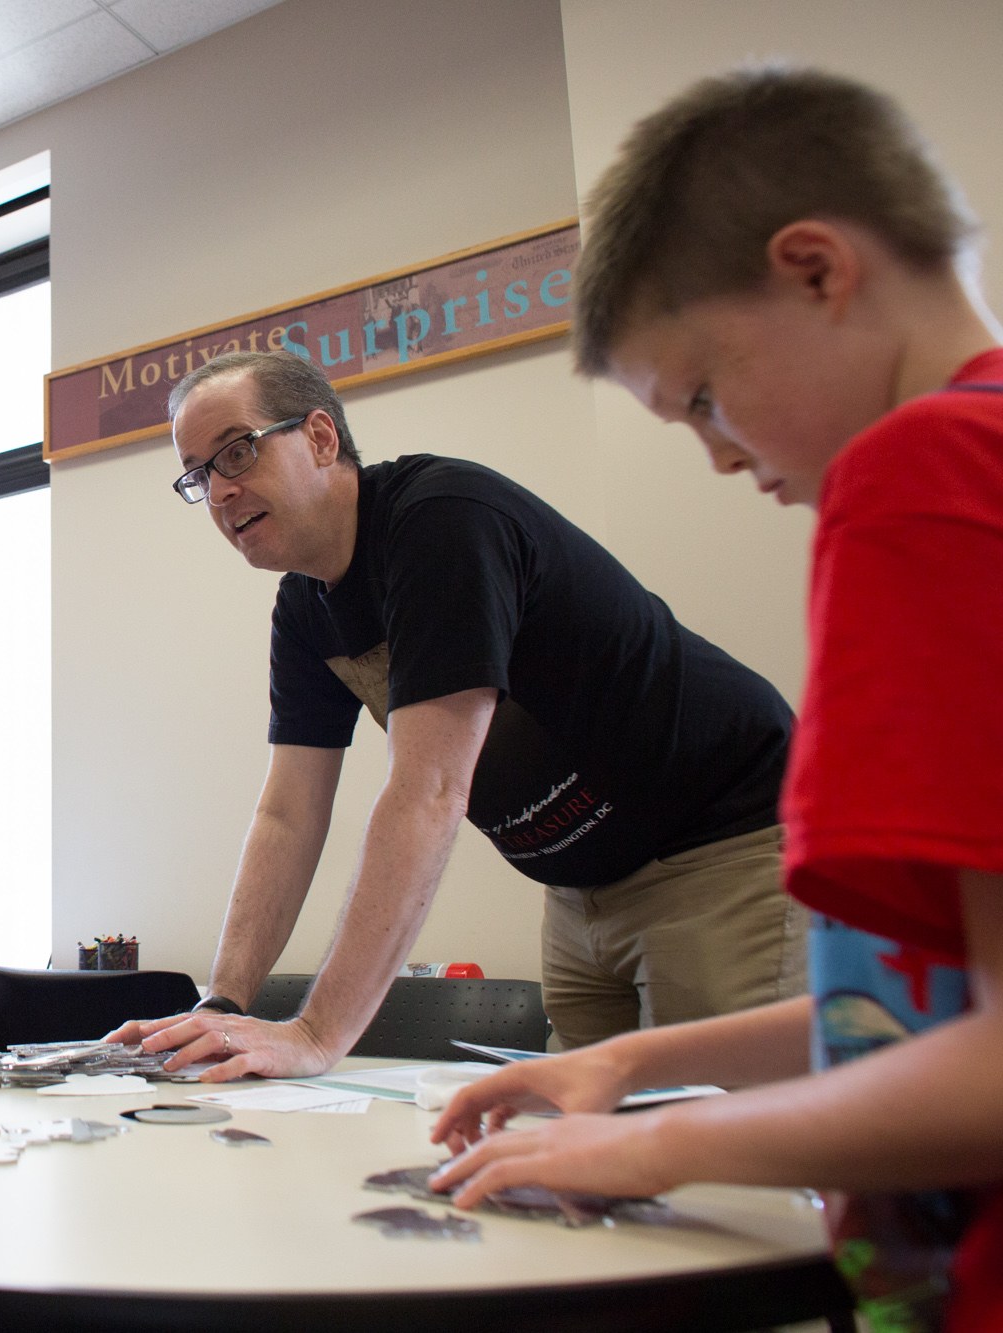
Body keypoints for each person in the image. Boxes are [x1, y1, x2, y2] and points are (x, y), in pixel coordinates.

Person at [425, 67, 1003, 1330]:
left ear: (814, 270)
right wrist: (633, 1065)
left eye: (700, 396)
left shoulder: (921, 472)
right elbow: (915, 1005)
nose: (721, 456)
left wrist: (650, 1149)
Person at [114, 346, 804, 1076]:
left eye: (238, 451)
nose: (219, 491)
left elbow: (429, 792)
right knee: (578, 1153)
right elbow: (288, 814)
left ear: (320, 437)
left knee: (726, 1157)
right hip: (577, 895)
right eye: (199, 473)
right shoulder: (304, 610)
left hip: (720, 848)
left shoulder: (440, 522)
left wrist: (317, 1033)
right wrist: (222, 1006)